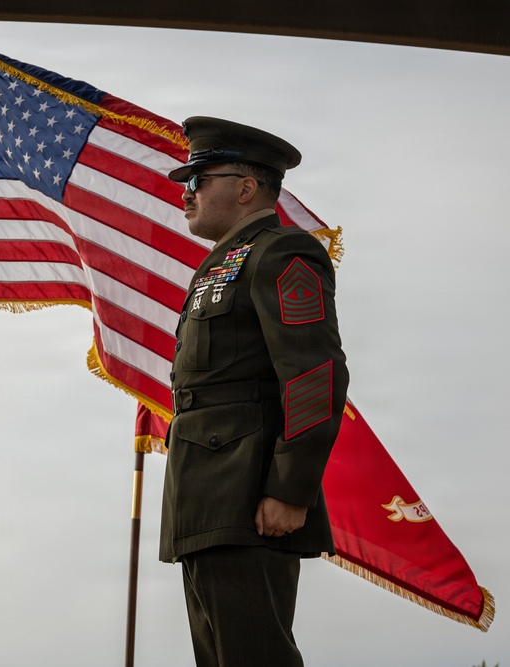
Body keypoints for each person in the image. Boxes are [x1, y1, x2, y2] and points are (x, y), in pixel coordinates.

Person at [159, 117, 349, 667]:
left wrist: (290, 489)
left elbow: (314, 373)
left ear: (245, 188)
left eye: (200, 178)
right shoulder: (222, 262)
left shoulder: (281, 251)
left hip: (250, 496)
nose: (187, 192)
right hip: (206, 498)